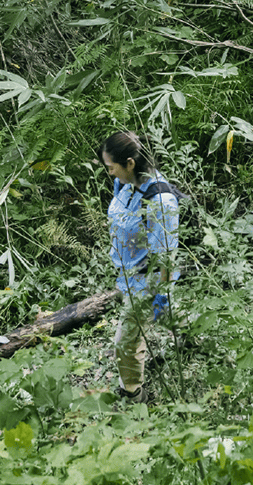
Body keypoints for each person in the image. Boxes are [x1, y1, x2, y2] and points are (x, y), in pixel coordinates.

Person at [100, 130, 180, 402]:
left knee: (124, 342)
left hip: (145, 283)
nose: (110, 173)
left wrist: (160, 295)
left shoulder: (160, 201)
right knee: (157, 324)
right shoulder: (125, 184)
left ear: (130, 163)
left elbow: (166, 254)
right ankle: (185, 333)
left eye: (112, 168)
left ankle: (133, 395)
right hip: (126, 275)